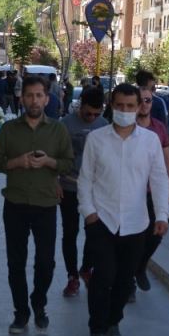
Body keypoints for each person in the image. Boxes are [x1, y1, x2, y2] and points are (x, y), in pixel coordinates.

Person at [78, 84, 169, 336]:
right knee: (103, 276)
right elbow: (85, 178)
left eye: (130, 106)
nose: (125, 110)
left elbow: (159, 178)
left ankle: (113, 323)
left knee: (124, 280)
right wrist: (89, 212)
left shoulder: (150, 141)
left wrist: (162, 214)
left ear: (139, 107)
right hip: (102, 220)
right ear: (112, 106)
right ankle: (96, 330)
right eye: (120, 105)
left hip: (136, 222)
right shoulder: (96, 139)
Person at [0, 77, 73, 334]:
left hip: (46, 204)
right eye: (29, 95)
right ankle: (21, 312)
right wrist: (18, 162)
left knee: (46, 262)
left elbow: (68, 163)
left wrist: (49, 162)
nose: (34, 100)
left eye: (39, 95)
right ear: (22, 98)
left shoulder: (58, 130)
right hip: (15, 203)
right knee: (16, 262)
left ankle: (39, 302)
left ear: (47, 99)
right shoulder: (9, 129)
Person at [58, 86, 108, 297]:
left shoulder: (104, 125)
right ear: (81, 106)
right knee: (70, 232)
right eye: (89, 114)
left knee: (94, 232)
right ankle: (72, 276)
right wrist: (55, 181)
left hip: (94, 190)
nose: (92, 118)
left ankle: (86, 268)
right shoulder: (65, 124)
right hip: (69, 185)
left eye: (97, 114)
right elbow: (56, 155)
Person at [131, 86, 169, 300]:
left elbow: (167, 157)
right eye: (140, 100)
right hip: (131, 192)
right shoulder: (126, 127)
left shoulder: (159, 128)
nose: (144, 104)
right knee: (133, 239)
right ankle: (129, 282)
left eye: (148, 100)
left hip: (153, 191)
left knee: (155, 235)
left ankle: (140, 266)